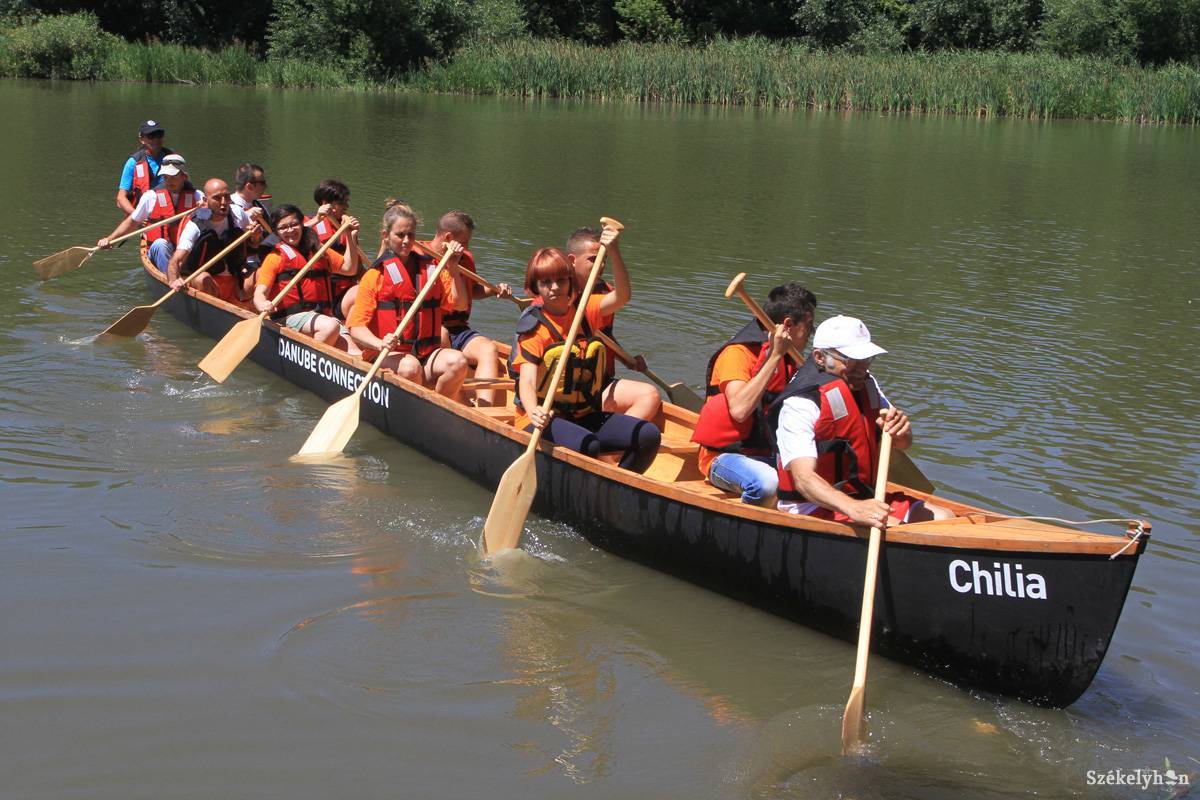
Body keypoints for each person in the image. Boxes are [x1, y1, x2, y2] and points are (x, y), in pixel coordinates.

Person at [770, 315, 954, 526]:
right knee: (895, 526)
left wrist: (903, 432)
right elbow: (804, 480)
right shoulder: (801, 403)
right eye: (851, 360)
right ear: (820, 357)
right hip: (812, 508)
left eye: (866, 359)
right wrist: (854, 508)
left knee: (943, 518)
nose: (862, 368)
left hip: (863, 497)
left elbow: (903, 444)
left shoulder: (867, 384)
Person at [508, 240, 661, 474]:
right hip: (542, 418)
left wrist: (614, 251)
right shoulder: (534, 329)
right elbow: (527, 382)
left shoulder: (586, 312)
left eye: (561, 280)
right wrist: (533, 411)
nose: (554, 288)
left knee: (648, 436)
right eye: (546, 282)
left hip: (582, 414)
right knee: (589, 445)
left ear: (570, 281)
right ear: (536, 287)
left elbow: (623, 295)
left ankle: (621, 482)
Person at [690, 284, 816, 505]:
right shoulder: (737, 354)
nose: (812, 332)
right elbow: (739, 410)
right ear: (787, 325)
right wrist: (776, 355)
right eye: (808, 325)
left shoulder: (793, 362)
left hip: (768, 453)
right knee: (768, 484)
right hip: (724, 458)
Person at [347, 201, 470, 398]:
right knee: (410, 367)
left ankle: (437, 408)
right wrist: (379, 343)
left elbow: (461, 304)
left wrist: (453, 267)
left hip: (423, 353)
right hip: (386, 355)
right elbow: (355, 328)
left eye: (410, 235)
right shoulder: (375, 275)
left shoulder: (433, 268)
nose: (406, 240)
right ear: (386, 236)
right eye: (400, 235)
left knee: (459, 361)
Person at [564, 227, 662, 421]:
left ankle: (611, 435)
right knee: (649, 396)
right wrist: (614, 251)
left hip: (599, 381)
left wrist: (625, 358)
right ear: (572, 260)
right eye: (593, 259)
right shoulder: (557, 295)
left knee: (652, 404)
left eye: (604, 259)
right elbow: (623, 297)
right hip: (568, 386)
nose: (600, 265)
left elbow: (603, 334)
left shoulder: (603, 291)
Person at [423, 211, 512, 407]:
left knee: (489, 349)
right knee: (442, 334)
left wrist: (494, 290)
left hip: (459, 327)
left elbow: (474, 291)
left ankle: (484, 412)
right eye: (464, 242)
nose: (467, 247)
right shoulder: (421, 257)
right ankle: (451, 397)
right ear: (448, 238)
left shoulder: (465, 259)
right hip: (431, 325)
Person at [253, 204, 360, 347]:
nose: (290, 230)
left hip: (322, 318)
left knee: (355, 351)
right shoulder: (275, 258)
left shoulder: (318, 251)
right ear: (277, 232)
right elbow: (260, 292)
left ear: (302, 225)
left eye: (294, 224)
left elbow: (349, 269)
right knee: (329, 327)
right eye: (283, 227)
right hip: (289, 318)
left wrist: (350, 237)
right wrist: (262, 304)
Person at [98, 154, 201, 273]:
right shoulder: (151, 197)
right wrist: (110, 239)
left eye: (173, 177)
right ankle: (171, 277)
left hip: (186, 252)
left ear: (184, 176)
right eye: (165, 177)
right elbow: (132, 222)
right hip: (161, 252)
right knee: (160, 244)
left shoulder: (197, 196)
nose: (169, 181)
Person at [166, 178, 259, 303]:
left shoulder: (238, 213)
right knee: (202, 278)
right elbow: (175, 261)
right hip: (207, 283)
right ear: (205, 200)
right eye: (217, 198)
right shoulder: (195, 226)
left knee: (260, 273)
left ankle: (249, 305)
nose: (223, 202)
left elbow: (254, 245)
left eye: (226, 197)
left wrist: (255, 236)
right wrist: (173, 280)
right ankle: (215, 308)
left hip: (235, 277)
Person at [307, 179, 361, 319]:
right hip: (324, 295)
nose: (346, 206)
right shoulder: (308, 224)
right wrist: (317, 219)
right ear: (325, 204)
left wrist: (352, 237)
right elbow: (288, 239)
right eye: (342, 203)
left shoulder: (346, 227)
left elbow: (357, 266)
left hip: (346, 289)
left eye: (347, 202)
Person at [117, 119, 173, 215]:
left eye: (159, 135)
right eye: (151, 136)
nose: (156, 139)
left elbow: (185, 185)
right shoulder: (133, 162)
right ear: (142, 139)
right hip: (142, 212)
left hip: (166, 210)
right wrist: (137, 216)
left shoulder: (172, 158)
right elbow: (121, 197)